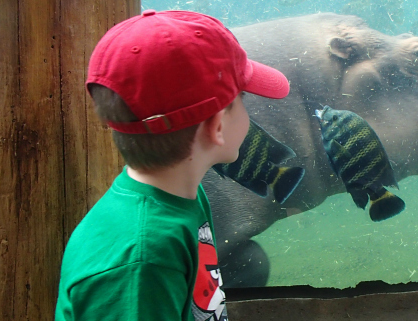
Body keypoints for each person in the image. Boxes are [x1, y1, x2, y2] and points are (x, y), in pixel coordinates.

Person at [55, 9, 289, 321]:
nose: (247, 111)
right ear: (217, 126)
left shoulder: (184, 195)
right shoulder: (141, 264)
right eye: (242, 99)